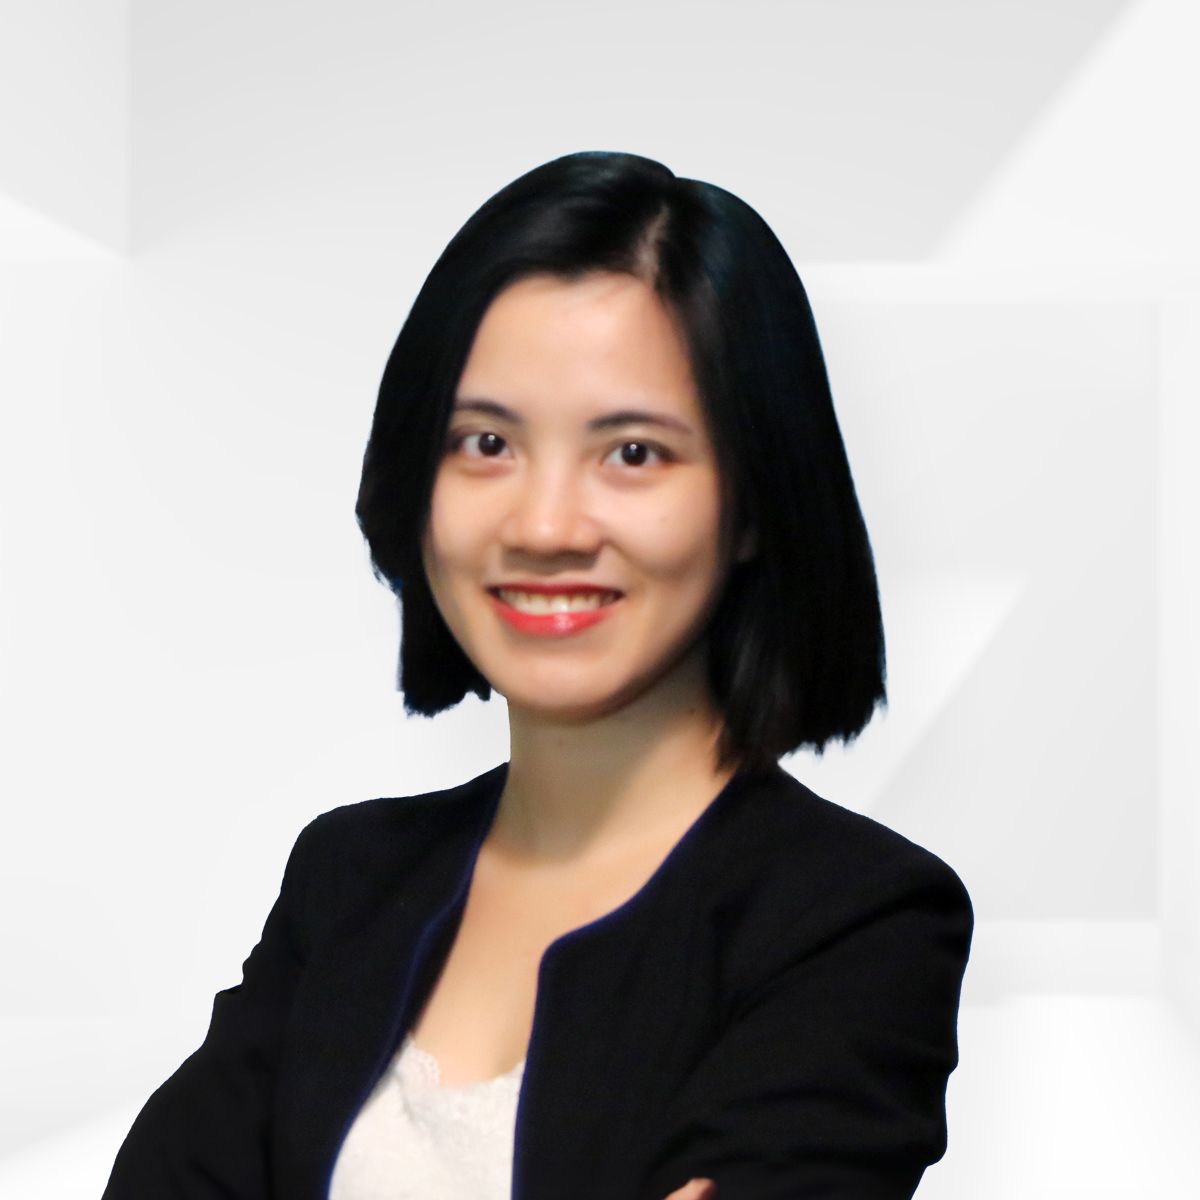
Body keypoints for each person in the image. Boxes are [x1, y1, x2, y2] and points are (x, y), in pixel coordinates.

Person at [101, 150, 973, 1200]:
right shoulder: (348, 877)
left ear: (754, 502)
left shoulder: (856, 922)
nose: (546, 527)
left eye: (633, 453)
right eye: (484, 443)